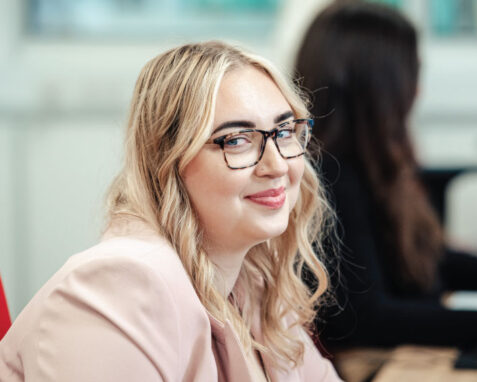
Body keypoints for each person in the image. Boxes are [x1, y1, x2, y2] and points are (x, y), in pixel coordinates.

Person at [0, 41, 342, 381]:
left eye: (284, 131)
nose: (277, 165)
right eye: (236, 140)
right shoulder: (121, 286)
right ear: (168, 162)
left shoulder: (252, 284)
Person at [295, 0, 477, 352]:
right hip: (366, 362)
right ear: (375, 87)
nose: (418, 91)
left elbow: (429, 259)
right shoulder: (328, 178)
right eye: (410, 75)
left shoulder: (372, 166)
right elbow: (366, 318)